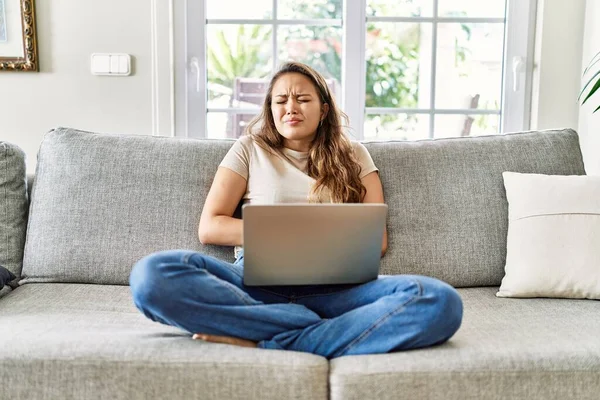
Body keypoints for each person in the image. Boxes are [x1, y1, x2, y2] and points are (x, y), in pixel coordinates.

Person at [129, 62, 463, 359]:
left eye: (303, 99)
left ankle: (270, 340)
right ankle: (311, 326)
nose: (291, 107)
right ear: (270, 109)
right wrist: (286, 232)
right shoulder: (249, 149)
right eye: (281, 101)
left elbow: (377, 242)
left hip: (338, 289)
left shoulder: (355, 155)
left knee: (438, 300)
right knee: (152, 275)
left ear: (324, 109)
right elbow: (211, 226)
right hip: (253, 285)